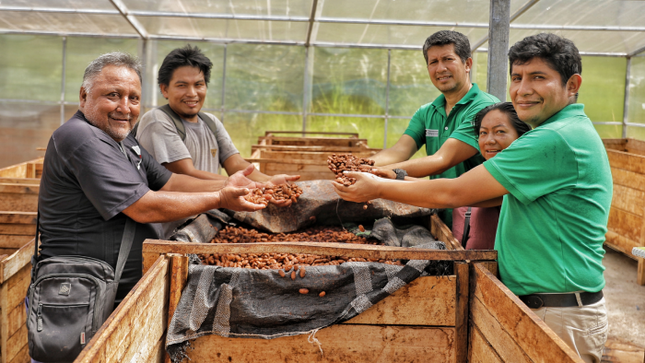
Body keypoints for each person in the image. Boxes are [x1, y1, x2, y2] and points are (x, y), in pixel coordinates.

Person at [334, 33, 610, 362]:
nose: (523, 90)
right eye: (517, 78)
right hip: (545, 303)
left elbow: (454, 189)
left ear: (572, 84)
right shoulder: (557, 132)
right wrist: (382, 174)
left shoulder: (555, 138)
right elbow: (478, 196)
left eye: (539, 78)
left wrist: (379, 186)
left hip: (556, 311)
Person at [38, 52, 267, 306]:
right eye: (113, 95)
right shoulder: (82, 138)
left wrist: (229, 183)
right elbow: (144, 207)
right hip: (85, 293)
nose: (125, 107)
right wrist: (220, 197)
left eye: (133, 98)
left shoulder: (123, 140)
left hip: (114, 289)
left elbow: (171, 182)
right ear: (84, 95)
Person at [135, 45, 299, 236]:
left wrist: (269, 181)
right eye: (182, 85)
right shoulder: (157, 120)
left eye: (198, 84)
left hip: (206, 224)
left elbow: (235, 163)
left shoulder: (210, 122)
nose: (192, 93)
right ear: (164, 89)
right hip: (169, 232)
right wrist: (253, 187)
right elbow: (186, 174)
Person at [370, 30, 499, 225]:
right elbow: (399, 150)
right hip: (439, 213)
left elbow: (442, 159)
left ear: (467, 64)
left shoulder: (485, 109)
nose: (440, 69)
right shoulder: (427, 111)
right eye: (433, 62)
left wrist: (378, 174)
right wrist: (364, 165)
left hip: (478, 219)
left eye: (448, 59)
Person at [452, 102, 530, 249]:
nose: (489, 140)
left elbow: (448, 193)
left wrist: (399, 179)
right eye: (483, 133)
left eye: (500, 131)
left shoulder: (522, 180)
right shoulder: (473, 179)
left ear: (522, 137)